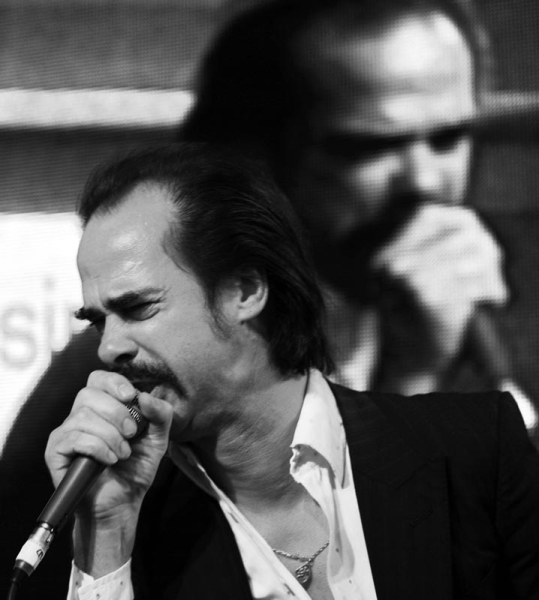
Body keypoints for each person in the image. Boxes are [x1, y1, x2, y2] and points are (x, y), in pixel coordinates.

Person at [42, 143, 539, 600]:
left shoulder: (474, 448)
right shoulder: (122, 525)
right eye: (98, 322)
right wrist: (105, 535)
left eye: (138, 308)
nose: (108, 348)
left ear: (245, 290)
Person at [180, 0, 538, 430]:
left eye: (449, 138)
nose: (423, 181)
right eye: (369, 148)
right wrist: (412, 379)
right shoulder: (179, 339)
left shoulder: (502, 302)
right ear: (254, 155)